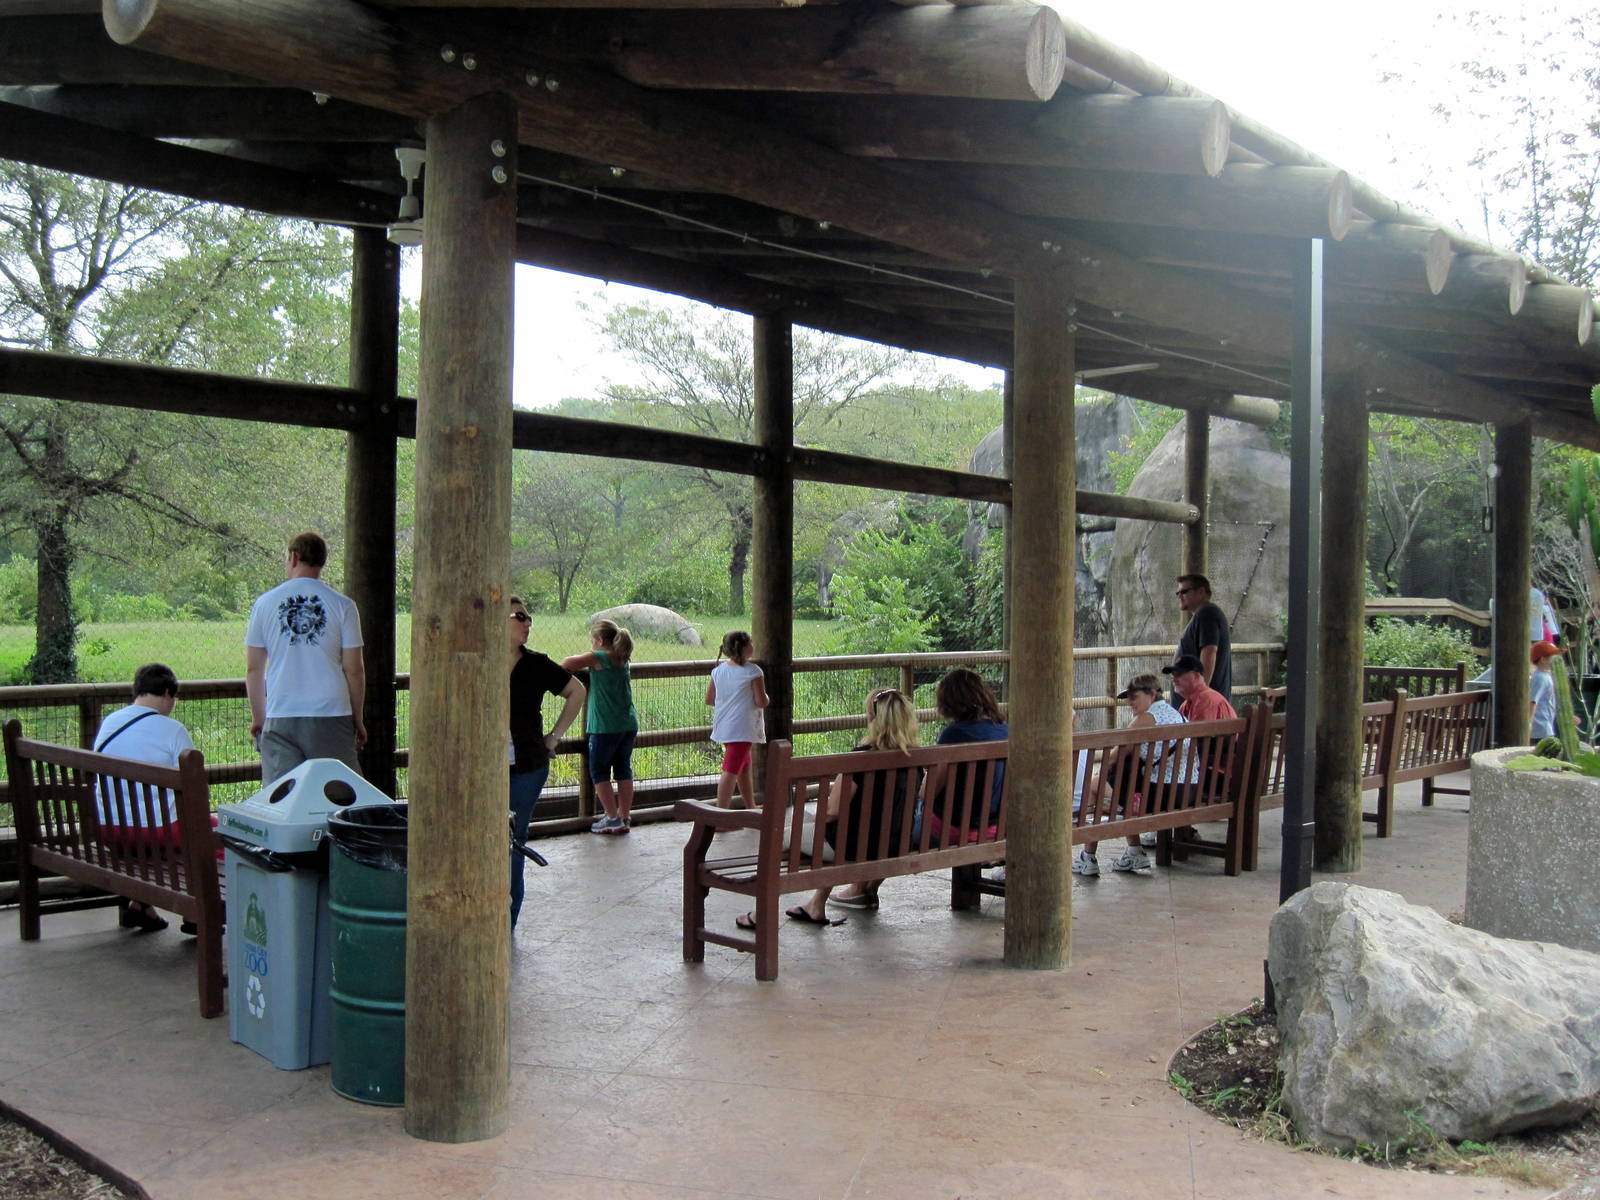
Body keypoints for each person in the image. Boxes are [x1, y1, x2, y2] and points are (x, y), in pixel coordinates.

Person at [832, 668, 1006, 911]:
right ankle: (864, 888)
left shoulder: (955, 734)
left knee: (893, 821)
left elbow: (927, 792)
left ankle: (860, 889)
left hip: (950, 831)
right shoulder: (1004, 729)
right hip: (994, 827)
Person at [773, 688, 920, 928]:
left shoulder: (860, 758)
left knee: (780, 836)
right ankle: (816, 903)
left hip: (852, 847)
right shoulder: (917, 760)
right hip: (894, 845)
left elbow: (832, 812)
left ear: (872, 719)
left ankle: (762, 909)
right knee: (832, 831)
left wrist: (813, 817)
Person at [244, 532, 365, 785]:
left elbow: (254, 669)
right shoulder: (343, 605)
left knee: (282, 798)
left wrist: (260, 717)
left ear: (294, 557)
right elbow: (354, 669)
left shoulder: (264, 604)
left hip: (281, 712)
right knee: (340, 794)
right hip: (331, 711)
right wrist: (357, 717)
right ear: (321, 562)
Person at [92, 663, 194, 932]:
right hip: (155, 833)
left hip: (108, 830)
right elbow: (195, 789)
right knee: (209, 831)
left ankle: (141, 905)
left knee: (159, 838)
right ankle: (196, 914)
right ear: (166, 692)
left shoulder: (110, 722)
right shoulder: (174, 730)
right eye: (174, 698)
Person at [508, 596, 584, 928]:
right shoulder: (476, 661)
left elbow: (577, 691)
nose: (528, 623)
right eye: (521, 616)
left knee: (513, 839)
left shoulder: (537, 664)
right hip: (482, 769)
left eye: (529, 617)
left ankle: (506, 921)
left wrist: (554, 737)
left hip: (527, 766)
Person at [1077, 673, 1187, 876]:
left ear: (1152, 694)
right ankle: (1133, 850)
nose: (1129, 702)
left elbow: (1114, 757)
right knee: (1111, 786)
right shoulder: (1176, 714)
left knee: (1094, 785)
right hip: (1186, 791)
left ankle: (1088, 856)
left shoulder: (1144, 720)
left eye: (1134, 696)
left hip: (1161, 795)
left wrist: (1100, 772)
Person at [561, 618, 639, 835]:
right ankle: (624, 816)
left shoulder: (599, 656)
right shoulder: (622, 657)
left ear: (599, 639)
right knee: (624, 769)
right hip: (627, 723)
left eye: (592, 640)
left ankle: (612, 819)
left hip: (605, 726)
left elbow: (567, 663)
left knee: (599, 771)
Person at [706, 630, 768, 809]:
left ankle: (751, 806)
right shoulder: (754, 671)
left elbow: (709, 699)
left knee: (743, 765)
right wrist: (768, 698)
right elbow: (761, 701)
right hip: (742, 728)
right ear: (744, 648)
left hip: (724, 726)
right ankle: (721, 817)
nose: (753, 646)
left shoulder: (718, 671)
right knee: (730, 770)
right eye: (750, 642)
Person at [1173, 573, 1232, 710]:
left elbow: (1210, 651)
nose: (1179, 596)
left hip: (1203, 707)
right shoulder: (1204, 615)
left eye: (1184, 591)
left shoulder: (1206, 613)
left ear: (1201, 592)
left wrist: (1199, 696)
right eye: (1178, 593)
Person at [1165, 654, 1237, 723]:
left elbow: (1197, 734)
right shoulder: (1187, 704)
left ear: (1196, 676)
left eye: (1178, 674)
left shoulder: (1205, 700)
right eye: (1173, 676)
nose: (1174, 680)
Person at [1530, 640, 1563, 741]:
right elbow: (1533, 701)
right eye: (1552, 656)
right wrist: (1529, 724)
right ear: (1543, 659)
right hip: (1540, 728)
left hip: (1547, 725)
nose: (1556, 659)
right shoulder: (1540, 678)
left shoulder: (1546, 675)